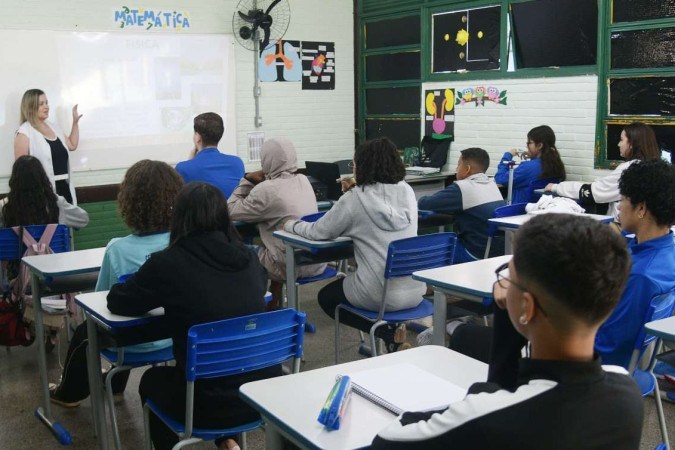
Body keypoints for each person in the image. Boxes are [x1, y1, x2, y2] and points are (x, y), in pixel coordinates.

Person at [372, 214, 643, 449]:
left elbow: (388, 438)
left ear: (527, 305)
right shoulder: (627, 393)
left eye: (507, 276)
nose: (503, 285)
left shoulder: (486, 416)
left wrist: (506, 325)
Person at [107, 182, 276, 450]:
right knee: (219, 368)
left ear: (179, 217)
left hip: (204, 405)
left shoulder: (168, 262)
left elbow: (119, 301)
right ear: (223, 216)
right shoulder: (249, 258)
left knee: (151, 381)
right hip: (260, 396)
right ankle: (227, 441)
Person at [49, 160, 184, 407]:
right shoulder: (182, 242)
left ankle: (68, 393)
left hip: (131, 345)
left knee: (87, 331)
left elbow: (100, 303)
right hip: (176, 340)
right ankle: (115, 384)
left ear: (129, 202)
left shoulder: (117, 249)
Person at [284, 138, 424, 351]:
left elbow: (318, 232)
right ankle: (392, 334)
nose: (354, 168)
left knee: (327, 297)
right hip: (414, 290)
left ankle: (385, 333)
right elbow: (380, 199)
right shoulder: (407, 191)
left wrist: (291, 225)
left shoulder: (355, 199)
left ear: (364, 166)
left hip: (377, 294)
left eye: (355, 164)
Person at [228, 137, 326, 309]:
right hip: (314, 261)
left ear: (266, 160)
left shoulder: (267, 190)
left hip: (288, 265)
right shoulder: (304, 180)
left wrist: (248, 180)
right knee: (274, 244)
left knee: (236, 253)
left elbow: (230, 210)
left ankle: (246, 309)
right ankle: (273, 304)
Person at [595, 159, 675, 367]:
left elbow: (609, 347)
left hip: (605, 368)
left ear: (641, 208)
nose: (619, 207)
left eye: (622, 200)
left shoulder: (641, 276)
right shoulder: (667, 252)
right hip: (635, 358)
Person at [545, 122, 660, 223]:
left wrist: (556, 187)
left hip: (625, 228)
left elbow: (595, 191)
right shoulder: (656, 167)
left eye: (621, 140)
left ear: (632, 144)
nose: (618, 144)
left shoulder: (630, 169)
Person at [1, 155, 89, 282]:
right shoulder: (57, 203)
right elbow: (84, 219)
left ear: (14, 180)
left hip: (16, 280)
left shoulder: (4, 206)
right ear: (42, 178)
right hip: (55, 276)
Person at [418, 147, 505, 260]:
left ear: (467, 169)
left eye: (459, 165)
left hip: (474, 254)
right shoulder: (492, 185)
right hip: (497, 253)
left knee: (432, 247)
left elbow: (424, 204)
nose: (456, 169)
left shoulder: (462, 188)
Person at [14, 89, 82, 204]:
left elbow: (72, 145)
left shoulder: (54, 127)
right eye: (41, 104)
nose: (46, 106)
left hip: (65, 189)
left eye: (46, 102)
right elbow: (21, 170)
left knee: (68, 221)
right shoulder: (24, 132)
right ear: (31, 107)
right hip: (42, 192)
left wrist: (75, 123)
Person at [175, 112, 244, 198]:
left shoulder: (182, 168)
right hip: (229, 211)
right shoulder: (237, 163)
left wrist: (190, 162)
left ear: (198, 138)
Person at [494, 125, 566, 204]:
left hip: (517, 208)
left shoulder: (528, 167)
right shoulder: (555, 165)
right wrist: (533, 157)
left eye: (529, 143)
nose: (526, 146)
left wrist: (508, 155)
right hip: (539, 207)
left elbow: (500, 178)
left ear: (539, 145)